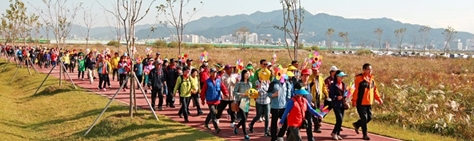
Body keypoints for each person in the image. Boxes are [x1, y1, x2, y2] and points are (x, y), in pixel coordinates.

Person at [352, 63, 383, 140]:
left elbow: (375, 90)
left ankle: (357, 124)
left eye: (371, 69)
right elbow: (355, 91)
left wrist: (378, 98)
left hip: (369, 102)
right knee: (364, 118)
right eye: (368, 69)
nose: (370, 71)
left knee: (369, 117)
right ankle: (365, 134)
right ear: (364, 70)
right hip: (360, 102)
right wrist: (354, 100)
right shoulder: (359, 79)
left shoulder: (372, 79)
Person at [201, 68, 229, 134]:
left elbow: (223, 87)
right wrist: (202, 99)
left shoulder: (218, 81)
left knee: (212, 113)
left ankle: (206, 122)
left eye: (215, 72)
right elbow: (203, 92)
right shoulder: (207, 82)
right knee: (213, 113)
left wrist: (226, 93)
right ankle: (216, 128)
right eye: (213, 72)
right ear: (210, 73)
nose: (214, 74)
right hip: (210, 101)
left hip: (217, 100)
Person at [249, 62, 272, 137]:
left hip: (267, 101)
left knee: (267, 116)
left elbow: (269, 90)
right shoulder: (256, 82)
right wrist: (261, 84)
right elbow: (258, 91)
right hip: (259, 101)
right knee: (258, 116)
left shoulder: (268, 81)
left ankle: (266, 131)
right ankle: (251, 124)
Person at [269, 71, 292, 141]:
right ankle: (273, 137)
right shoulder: (273, 83)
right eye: (279, 74)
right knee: (274, 123)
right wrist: (273, 95)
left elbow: (288, 95)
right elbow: (268, 93)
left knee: (285, 122)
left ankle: (280, 135)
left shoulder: (286, 83)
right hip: (275, 107)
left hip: (284, 107)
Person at [232, 69, 252, 140]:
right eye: (246, 73)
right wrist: (241, 94)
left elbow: (251, 92)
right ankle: (245, 134)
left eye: (248, 73)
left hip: (247, 101)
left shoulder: (250, 84)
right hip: (241, 101)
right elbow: (234, 92)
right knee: (243, 118)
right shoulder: (239, 83)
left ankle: (236, 127)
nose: (248, 74)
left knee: (245, 118)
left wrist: (252, 94)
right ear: (243, 74)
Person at [329, 70, 349, 140]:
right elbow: (330, 95)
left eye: (343, 76)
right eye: (341, 76)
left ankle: (337, 133)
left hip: (342, 104)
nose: (342, 78)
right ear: (337, 77)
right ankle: (334, 133)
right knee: (339, 119)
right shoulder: (333, 85)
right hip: (335, 104)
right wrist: (336, 97)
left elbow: (346, 92)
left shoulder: (343, 84)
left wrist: (346, 96)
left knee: (341, 119)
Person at [309, 67, 327, 133]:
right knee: (314, 111)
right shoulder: (310, 78)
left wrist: (326, 94)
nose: (315, 71)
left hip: (318, 97)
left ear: (318, 70)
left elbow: (323, 87)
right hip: (312, 98)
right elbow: (307, 86)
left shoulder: (321, 78)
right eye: (313, 70)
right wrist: (312, 83)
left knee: (317, 111)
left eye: (316, 70)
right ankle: (317, 126)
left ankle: (317, 123)